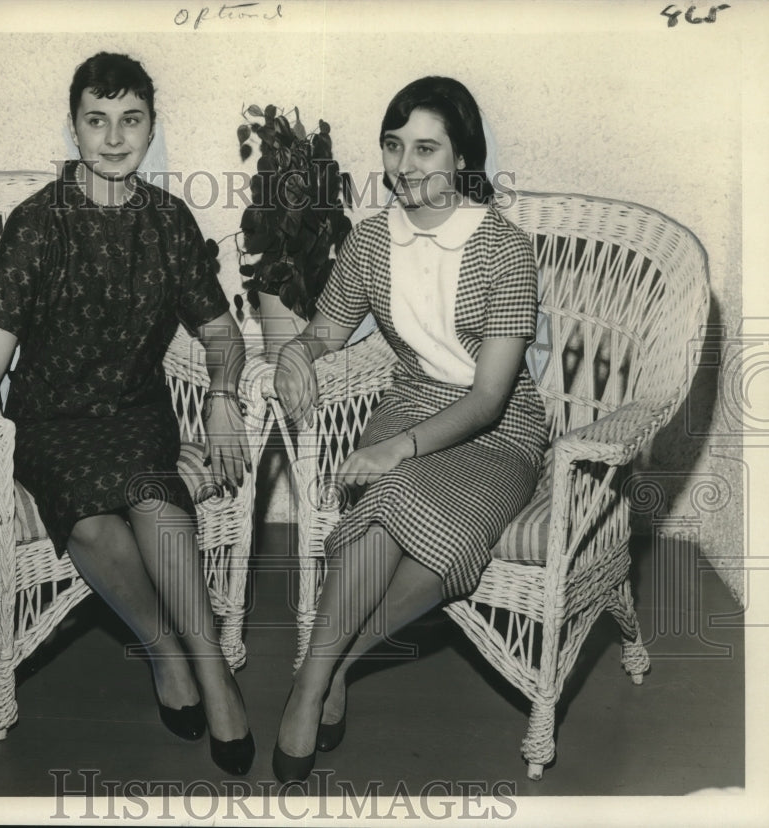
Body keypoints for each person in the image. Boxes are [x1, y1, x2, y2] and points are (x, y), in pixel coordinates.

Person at [0, 51, 254, 776]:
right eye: (96, 120)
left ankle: (212, 672)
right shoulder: (38, 224)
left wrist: (223, 396)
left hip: (136, 415)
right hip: (51, 423)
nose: (112, 137)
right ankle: (168, 651)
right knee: (98, 523)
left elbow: (222, 332)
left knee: (157, 501)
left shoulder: (169, 222)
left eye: (129, 120)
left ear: (151, 129)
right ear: (74, 129)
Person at [272, 76, 548, 782]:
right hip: (411, 401)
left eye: (426, 148)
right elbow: (326, 328)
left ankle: (320, 674)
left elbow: (489, 398)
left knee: (407, 504)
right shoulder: (371, 242)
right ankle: (317, 685)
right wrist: (298, 354)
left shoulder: (505, 248)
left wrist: (397, 447)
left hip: (499, 430)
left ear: (462, 159)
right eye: (395, 146)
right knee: (389, 506)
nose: (405, 165)